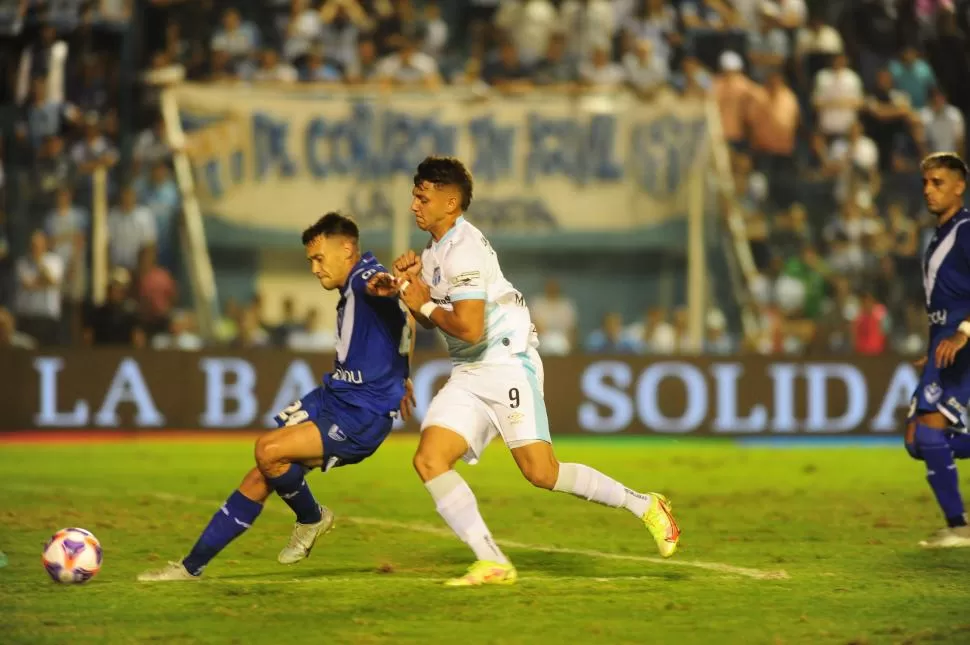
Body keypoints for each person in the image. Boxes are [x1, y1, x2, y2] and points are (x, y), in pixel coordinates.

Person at [384, 156, 680, 586]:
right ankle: (492, 560)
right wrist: (416, 291)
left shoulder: (464, 248)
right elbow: (435, 317)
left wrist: (423, 302)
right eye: (414, 195)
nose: (414, 204)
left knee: (542, 473)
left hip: (505, 363)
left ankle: (646, 505)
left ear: (450, 203)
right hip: (469, 369)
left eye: (422, 196)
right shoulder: (434, 251)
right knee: (429, 459)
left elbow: (469, 326)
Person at [138, 213, 415, 581]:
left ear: (347, 249)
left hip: (359, 415)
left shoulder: (365, 278)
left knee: (268, 450)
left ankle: (312, 517)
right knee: (263, 473)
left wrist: (389, 286)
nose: (315, 269)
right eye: (310, 262)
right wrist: (402, 374)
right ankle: (191, 568)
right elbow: (402, 324)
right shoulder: (356, 280)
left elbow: (380, 288)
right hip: (335, 396)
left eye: (319, 258)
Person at [905, 152, 970, 548]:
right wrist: (934, 346)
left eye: (938, 183)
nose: (928, 190)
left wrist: (962, 333)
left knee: (930, 432)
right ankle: (958, 526)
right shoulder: (940, 235)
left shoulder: (965, 230)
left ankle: (959, 527)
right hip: (943, 346)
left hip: (962, 346)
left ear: (959, 187)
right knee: (916, 439)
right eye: (926, 183)